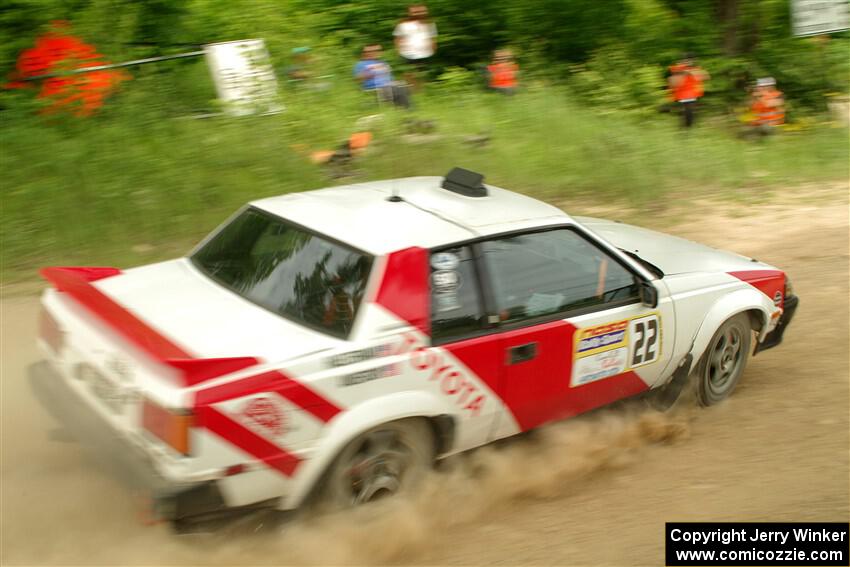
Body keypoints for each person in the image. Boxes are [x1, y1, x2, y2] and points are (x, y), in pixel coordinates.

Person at [394, 4, 437, 87]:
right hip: (408, 53)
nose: (418, 13)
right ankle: (411, 89)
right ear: (409, 13)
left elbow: (432, 38)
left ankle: (422, 89)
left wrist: (434, 49)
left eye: (421, 11)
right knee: (409, 73)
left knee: (423, 73)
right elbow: (397, 38)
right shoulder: (403, 24)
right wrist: (399, 50)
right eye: (415, 12)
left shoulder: (430, 24)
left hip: (426, 53)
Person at [667, 54, 709, 128]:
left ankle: (688, 124)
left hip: (692, 92)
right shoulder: (677, 68)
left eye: (690, 60)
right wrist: (682, 72)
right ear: (681, 61)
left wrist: (692, 72)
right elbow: (672, 79)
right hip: (681, 92)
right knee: (685, 109)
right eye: (685, 61)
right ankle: (684, 123)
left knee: (690, 109)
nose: (687, 62)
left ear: (693, 61)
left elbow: (705, 77)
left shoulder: (696, 68)